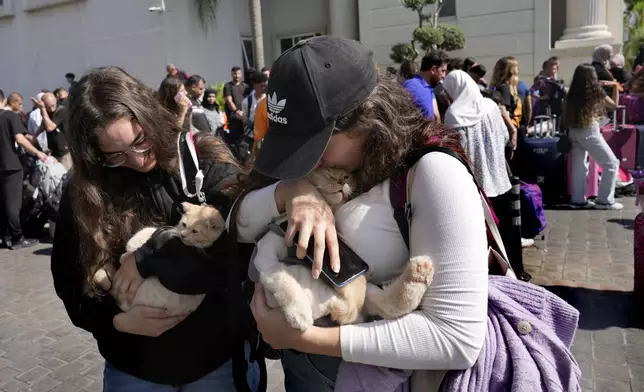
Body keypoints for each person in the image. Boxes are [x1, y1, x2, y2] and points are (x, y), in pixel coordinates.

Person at [237, 36, 488, 392]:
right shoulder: (310, 171)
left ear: (368, 118)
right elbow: (239, 222)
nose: (305, 163)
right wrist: (291, 191)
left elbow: (455, 339)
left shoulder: (433, 173)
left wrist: (304, 339)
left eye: (314, 146)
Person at [50, 66, 261, 391]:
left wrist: (151, 255)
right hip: (135, 369)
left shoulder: (200, 159)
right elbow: (70, 283)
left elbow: (240, 248)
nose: (136, 158)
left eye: (140, 140)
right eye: (116, 155)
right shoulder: (84, 192)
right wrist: (115, 322)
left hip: (218, 361)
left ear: (149, 114)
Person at [443, 71, 525, 273]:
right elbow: (505, 137)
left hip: (478, 189)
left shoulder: (453, 115)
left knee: (485, 239)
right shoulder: (490, 106)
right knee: (507, 233)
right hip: (501, 181)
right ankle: (515, 272)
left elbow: (456, 152)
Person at [562, 64, 622, 210]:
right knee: (611, 163)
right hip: (589, 131)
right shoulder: (596, 92)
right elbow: (614, 105)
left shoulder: (571, 92)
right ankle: (604, 200)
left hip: (574, 130)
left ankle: (578, 200)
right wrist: (614, 86)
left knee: (579, 166)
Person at [0, 89, 48, 249]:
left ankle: (4, 235)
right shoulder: (9, 116)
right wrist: (38, 153)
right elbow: (20, 139)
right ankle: (17, 238)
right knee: (13, 204)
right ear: (4, 100)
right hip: (11, 166)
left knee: (2, 203)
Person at [402, 51, 448, 121]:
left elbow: (435, 116)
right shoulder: (410, 86)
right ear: (433, 69)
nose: (444, 76)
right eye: (443, 71)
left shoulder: (429, 88)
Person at [33, 93, 71, 169]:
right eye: (48, 107)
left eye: (53, 105)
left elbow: (50, 127)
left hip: (64, 152)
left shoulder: (62, 110)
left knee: (67, 177)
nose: (51, 109)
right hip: (54, 152)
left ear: (56, 100)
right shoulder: (46, 112)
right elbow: (43, 125)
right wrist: (34, 137)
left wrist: (43, 109)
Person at [223, 66, 248, 146]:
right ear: (231, 74)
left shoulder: (245, 86)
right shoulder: (228, 86)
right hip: (234, 116)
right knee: (235, 139)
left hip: (244, 115)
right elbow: (229, 101)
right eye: (234, 74)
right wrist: (237, 111)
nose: (236, 75)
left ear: (241, 75)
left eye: (238, 73)